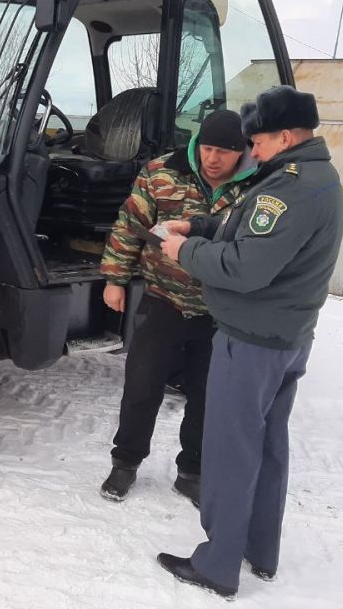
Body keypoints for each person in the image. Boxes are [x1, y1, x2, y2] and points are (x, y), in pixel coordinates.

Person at [156, 86, 343, 599]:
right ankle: (261, 551)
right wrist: (198, 223)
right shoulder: (314, 178)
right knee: (267, 447)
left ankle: (217, 564)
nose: (250, 152)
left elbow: (245, 265)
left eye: (256, 141)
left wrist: (182, 248)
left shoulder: (288, 188)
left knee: (231, 451)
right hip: (285, 337)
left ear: (284, 136)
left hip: (253, 340)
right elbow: (257, 236)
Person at [100, 110, 256, 506]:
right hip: (163, 298)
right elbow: (129, 224)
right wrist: (115, 279)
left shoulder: (258, 185)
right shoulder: (161, 172)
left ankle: (192, 472)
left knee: (208, 396)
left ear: (242, 152)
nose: (213, 159)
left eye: (224, 151)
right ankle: (125, 463)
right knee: (141, 386)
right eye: (207, 148)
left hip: (220, 310)